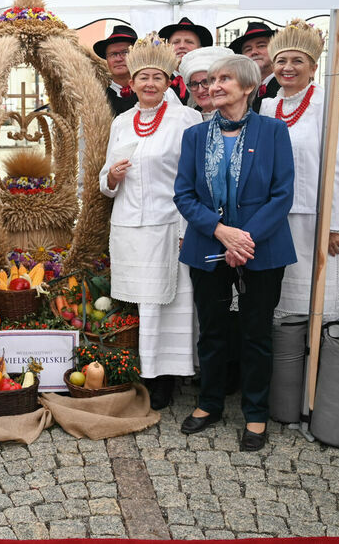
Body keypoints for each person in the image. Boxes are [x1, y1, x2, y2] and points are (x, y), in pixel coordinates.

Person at [174, 54, 296, 451]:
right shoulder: (194, 136)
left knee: (256, 333)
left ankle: (256, 413)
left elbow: (282, 195)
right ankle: (209, 403)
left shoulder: (274, 132)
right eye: (210, 80)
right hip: (208, 245)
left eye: (225, 79)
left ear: (248, 87)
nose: (213, 85)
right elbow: (184, 194)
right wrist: (222, 232)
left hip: (262, 248)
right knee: (211, 331)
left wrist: (244, 240)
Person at [100, 34, 202, 410]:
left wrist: (188, 226)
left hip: (170, 224)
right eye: (142, 77)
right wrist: (111, 177)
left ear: (168, 81)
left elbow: (196, 177)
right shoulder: (122, 122)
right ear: (131, 82)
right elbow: (103, 178)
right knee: (144, 303)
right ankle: (146, 371)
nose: (149, 84)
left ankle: (169, 377)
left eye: (157, 77)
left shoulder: (186, 119)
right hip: (130, 225)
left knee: (173, 302)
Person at [259, 20, 339, 324]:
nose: (288, 67)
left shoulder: (331, 102)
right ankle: (285, 369)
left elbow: (338, 163)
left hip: (316, 219)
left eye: (297, 60)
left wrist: (333, 224)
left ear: (313, 67)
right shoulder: (269, 107)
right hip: (276, 220)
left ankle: (316, 369)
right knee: (280, 305)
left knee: (317, 304)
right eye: (281, 60)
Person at [159, 17, 214, 105]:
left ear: (200, 49)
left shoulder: (212, 79)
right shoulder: (159, 80)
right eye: (176, 42)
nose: (181, 46)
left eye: (189, 42)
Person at [230, 21, 279, 109]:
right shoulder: (239, 91)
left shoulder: (286, 86)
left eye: (261, 46)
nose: (254, 52)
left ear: (275, 49)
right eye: (248, 49)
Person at [93, 25, 138, 117]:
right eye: (113, 54)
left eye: (125, 52)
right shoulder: (99, 100)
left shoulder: (151, 91)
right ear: (107, 59)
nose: (118, 59)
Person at [178, 46, 233, 121]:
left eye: (206, 82)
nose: (200, 90)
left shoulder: (240, 120)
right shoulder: (187, 121)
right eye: (194, 84)